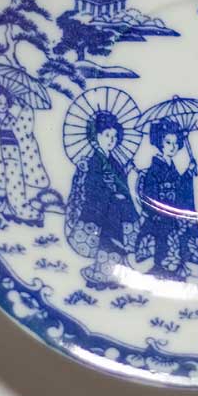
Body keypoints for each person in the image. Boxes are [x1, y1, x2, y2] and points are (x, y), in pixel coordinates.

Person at [65, 110, 141, 289]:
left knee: (116, 243)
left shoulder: (114, 162)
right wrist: (112, 195)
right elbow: (92, 186)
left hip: (115, 210)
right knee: (107, 243)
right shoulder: (93, 161)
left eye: (114, 136)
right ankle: (103, 274)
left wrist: (125, 175)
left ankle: (117, 275)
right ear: (96, 136)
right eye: (107, 135)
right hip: (101, 210)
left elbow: (121, 184)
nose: (111, 140)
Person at [135, 118, 198, 281]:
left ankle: (173, 271)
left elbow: (179, 186)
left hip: (172, 212)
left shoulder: (171, 166)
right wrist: (158, 210)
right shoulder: (154, 168)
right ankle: (162, 271)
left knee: (179, 239)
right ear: (159, 142)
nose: (172, 147)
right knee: (164, 242)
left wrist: (188, 173)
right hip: (160, 215)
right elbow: (150, 193)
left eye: (175, 143)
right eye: (168, 142)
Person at [0, 86, 49, 225]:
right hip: (1, 154)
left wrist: (25, 108)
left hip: (13, 155)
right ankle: (8, 206)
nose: (3, 105)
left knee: (15, 182)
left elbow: (22, 130)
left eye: (5, 102)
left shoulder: (11, 119)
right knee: (8, 181)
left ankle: (20, 207)